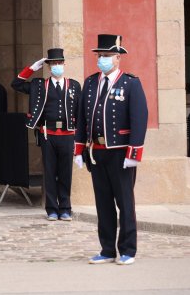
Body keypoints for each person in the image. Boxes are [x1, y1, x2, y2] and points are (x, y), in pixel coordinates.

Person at [74, 34, 147, 266]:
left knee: (124, 202)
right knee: (103, 203)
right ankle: (107, 250)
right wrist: (78, 149)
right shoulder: (91, 82)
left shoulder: (130, 83)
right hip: (96, 151)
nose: (101, 60)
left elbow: (139, 119)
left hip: (120, 152)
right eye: (99, 56)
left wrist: (134, 154)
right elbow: (82, 119)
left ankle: (127, 249)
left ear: (118, 58)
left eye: (106, 56)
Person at [11, 48, 81, 221]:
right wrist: (32, 68)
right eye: (53, 63)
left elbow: (81, 111)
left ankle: (65, 208)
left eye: (59, 62)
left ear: (64, 64)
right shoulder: (39, 85)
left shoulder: (73, 85)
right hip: (47, 134)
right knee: (49, 172)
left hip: (67, 134)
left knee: (66, 173)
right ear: (48, 66)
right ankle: (51, 208)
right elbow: (16, 84)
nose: (57, 66)